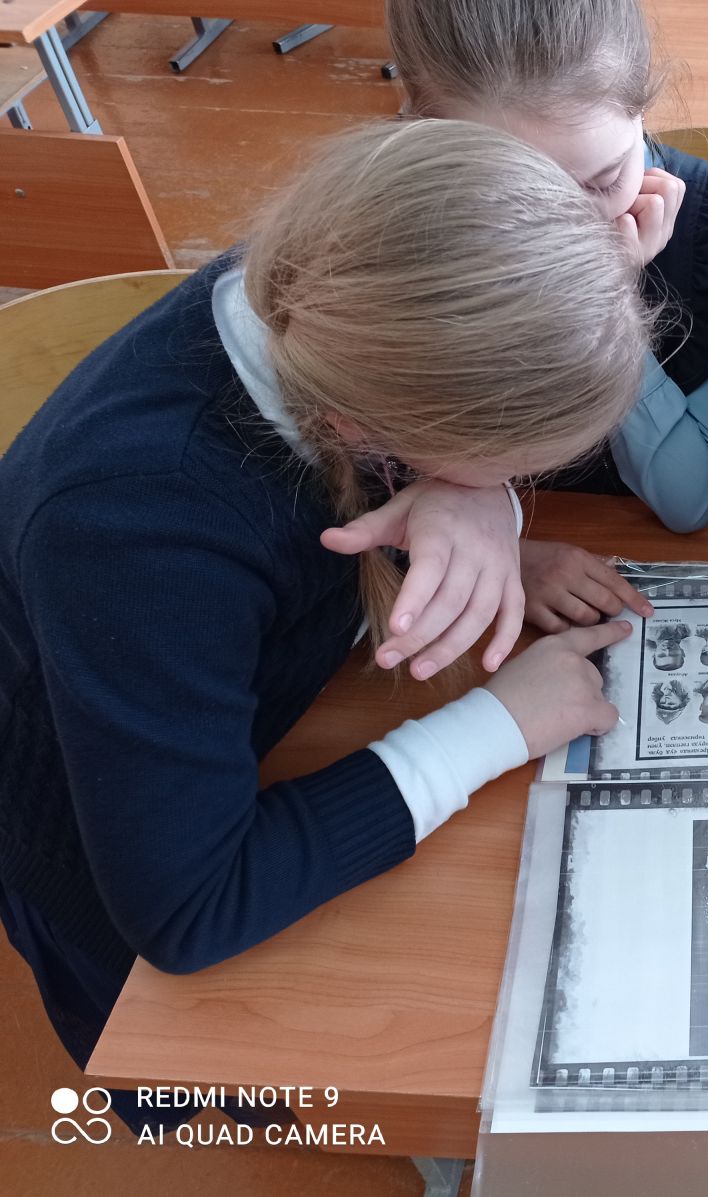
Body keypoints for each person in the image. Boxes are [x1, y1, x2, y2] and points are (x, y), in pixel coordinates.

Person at [0, 122, 642, 1124]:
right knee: (282, 1072)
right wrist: (497, 726)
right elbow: (188, 909)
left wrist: (483, 508)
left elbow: (340, 479)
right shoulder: (135, 531)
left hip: (251, 706)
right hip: (104, 842)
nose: (517, 486)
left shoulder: (341, 284)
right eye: (509, 467)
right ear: (372, 430)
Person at [385, 0, 708, 630]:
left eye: (602, 181)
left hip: (621, 558)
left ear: (643, 107)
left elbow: (690, 499)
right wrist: (508, 549)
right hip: (475, 567)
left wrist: (605, 297)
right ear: (422, 133)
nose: (570, 228)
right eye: (515, 196)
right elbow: (371, 463)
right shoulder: (393, 221)